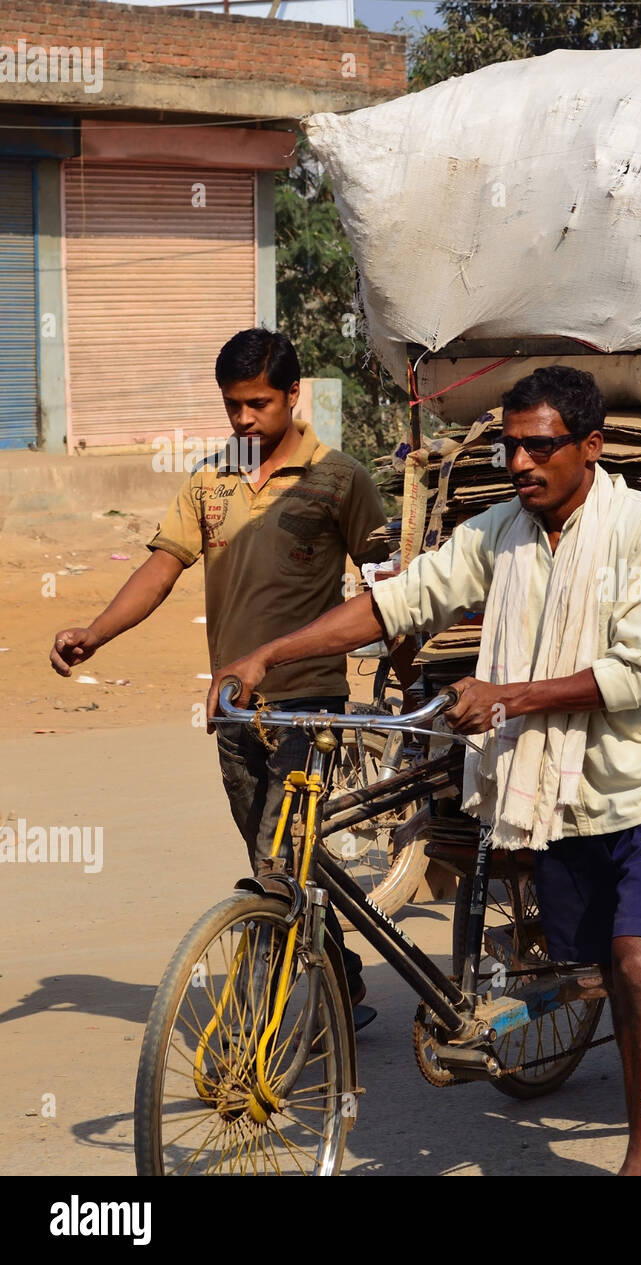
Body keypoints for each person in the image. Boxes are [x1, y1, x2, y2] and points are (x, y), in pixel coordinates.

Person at [207, 366, 641, 1176]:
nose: (519, 463)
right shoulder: (500, 532)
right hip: (561, 797)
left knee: (636, 964)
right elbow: (396, 604)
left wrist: (506, 698)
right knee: (613, 980)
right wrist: (269, 653)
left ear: (591, 446)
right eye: (508, 447)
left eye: (539, 446)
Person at [50, 328, 390, 1028]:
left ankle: (254, 1037)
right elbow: (162, 567)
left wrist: (411, 673)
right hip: (235, 711)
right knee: (284, 861)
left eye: (258, 403)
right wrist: (94, 632)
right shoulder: (209, 479)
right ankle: (345, 979)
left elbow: (385, 587)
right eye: (232, 405)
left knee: (274, 865)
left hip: (311, 710)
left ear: (294, 396)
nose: (243, 419)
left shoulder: (340, 479)